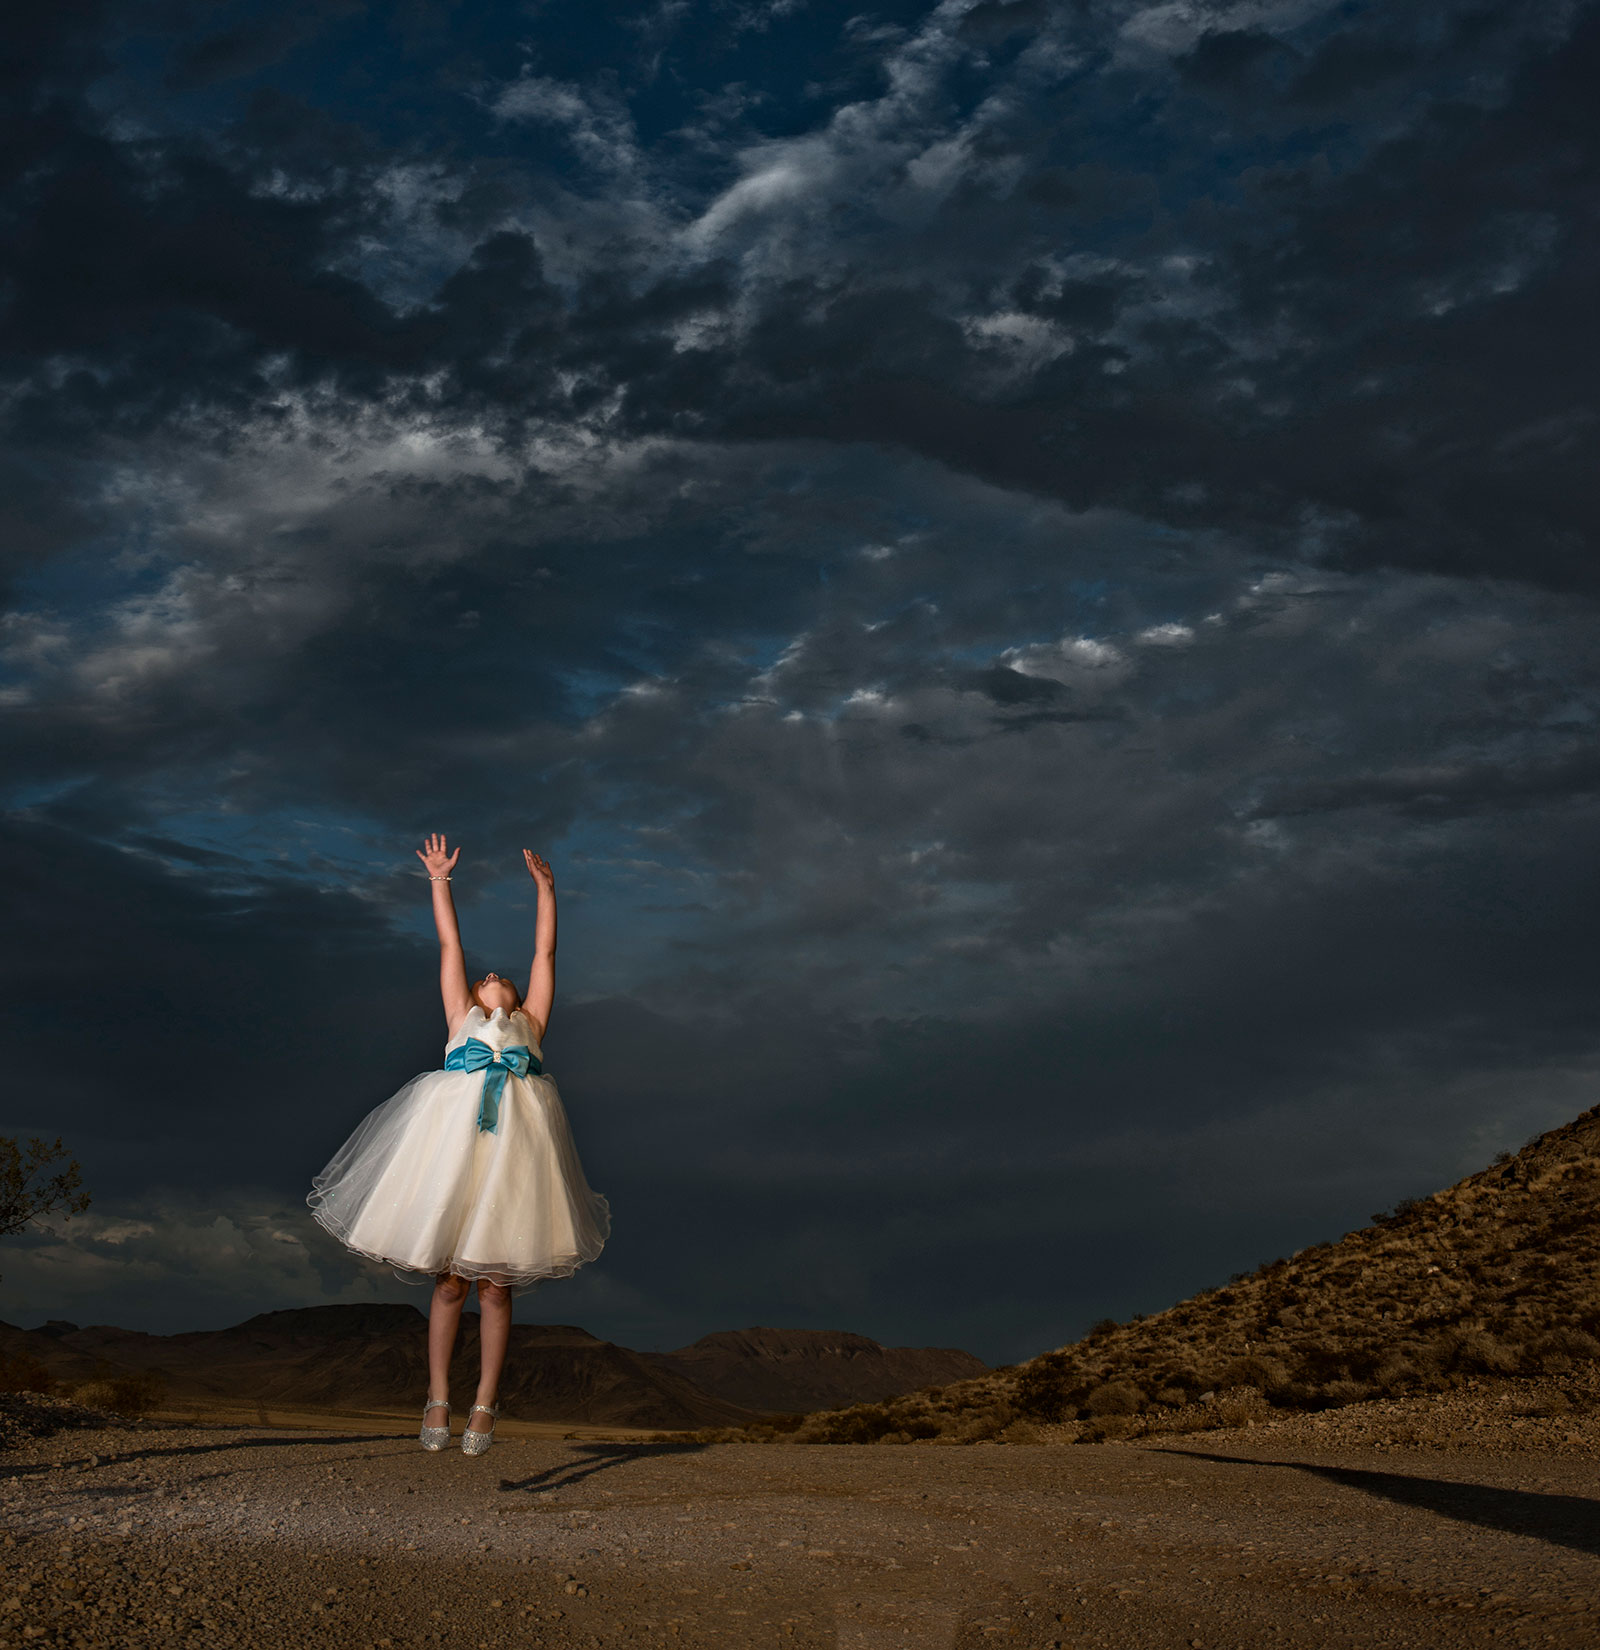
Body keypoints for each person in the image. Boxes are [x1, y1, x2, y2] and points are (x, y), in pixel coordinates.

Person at [307, 835, 610, 1455]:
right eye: (483, 977)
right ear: (473, 997)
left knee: (495, 1285)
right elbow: (450, 945)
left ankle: (484, 1405)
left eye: (501, 976)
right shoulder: (458, 1020)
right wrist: (440, 880)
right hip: (451, 1150)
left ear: (518, 997)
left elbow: (545, 950)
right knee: (449, 1282)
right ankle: (438, 1395)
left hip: (513, 1158)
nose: (492, 974)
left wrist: (547, 891)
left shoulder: (533, 1022)